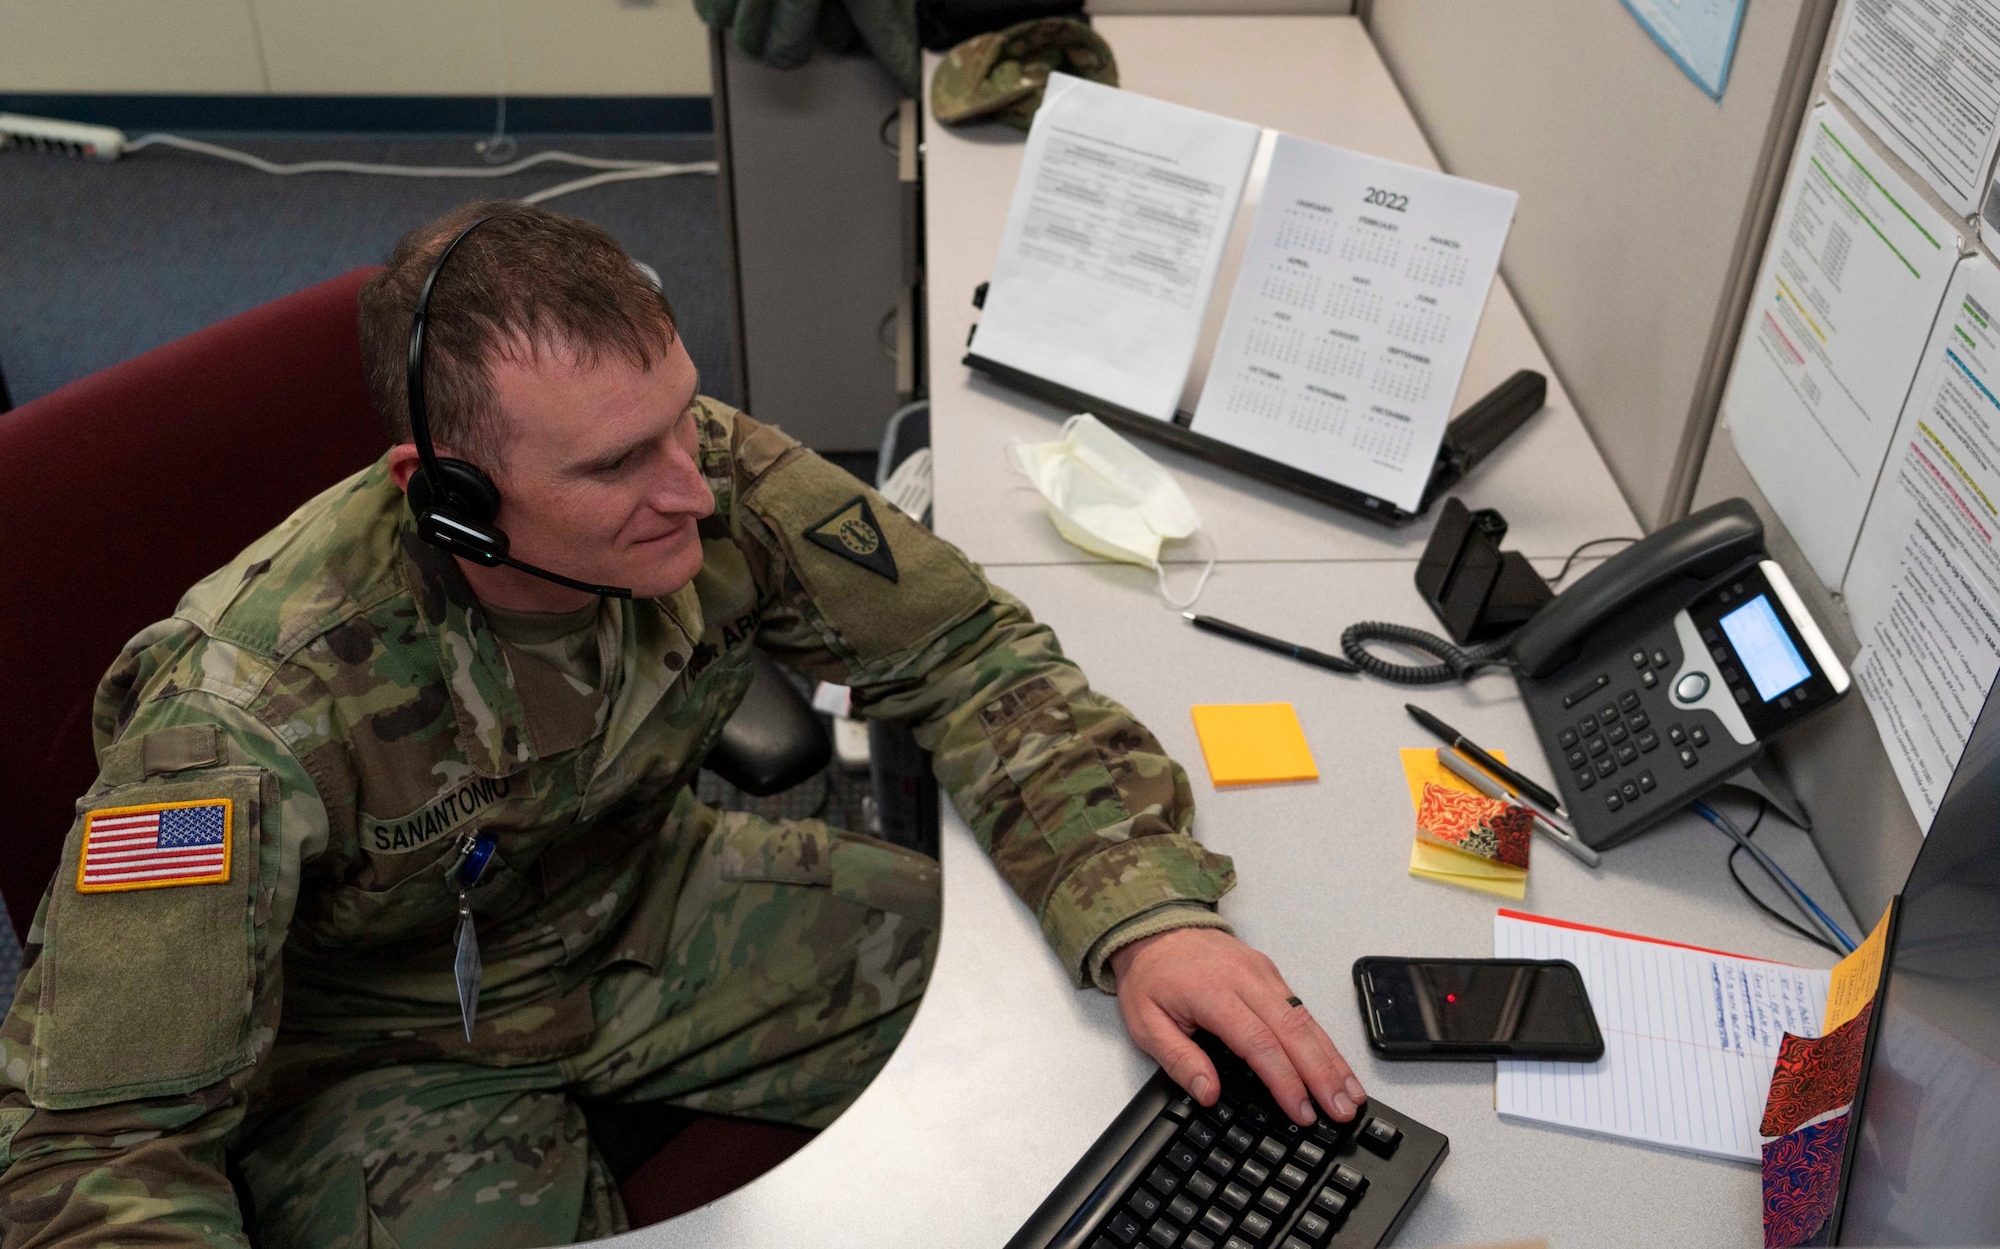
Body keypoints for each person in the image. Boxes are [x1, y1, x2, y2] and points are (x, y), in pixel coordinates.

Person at [0, 202, 1364, 1248]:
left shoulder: (705, 466)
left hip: (649, 903)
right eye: (614, 465)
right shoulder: (236, 719)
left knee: (1084, 1046)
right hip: (384, 1049)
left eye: (677, 421)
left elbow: (965, 654)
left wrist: (1145, 908)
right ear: (451, 495)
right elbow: (93, 1146)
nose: (693, 491)